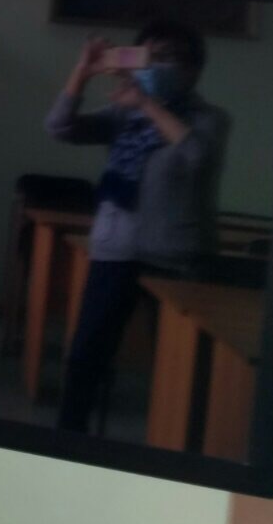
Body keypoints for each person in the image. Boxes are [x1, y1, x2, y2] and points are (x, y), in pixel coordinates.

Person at [45, 21, 228, 433]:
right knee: (86, 354)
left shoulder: (211, 119)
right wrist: (83, 72)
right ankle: (69, 440)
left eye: (171, 58)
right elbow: (59, 127)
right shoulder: (122, 114)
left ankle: (179, 450)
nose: (159, 66)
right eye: (151, 57)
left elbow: (196, 157)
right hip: (116, 250)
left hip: (177, 257)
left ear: (195, 69)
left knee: (181, 366)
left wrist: (146, 104)